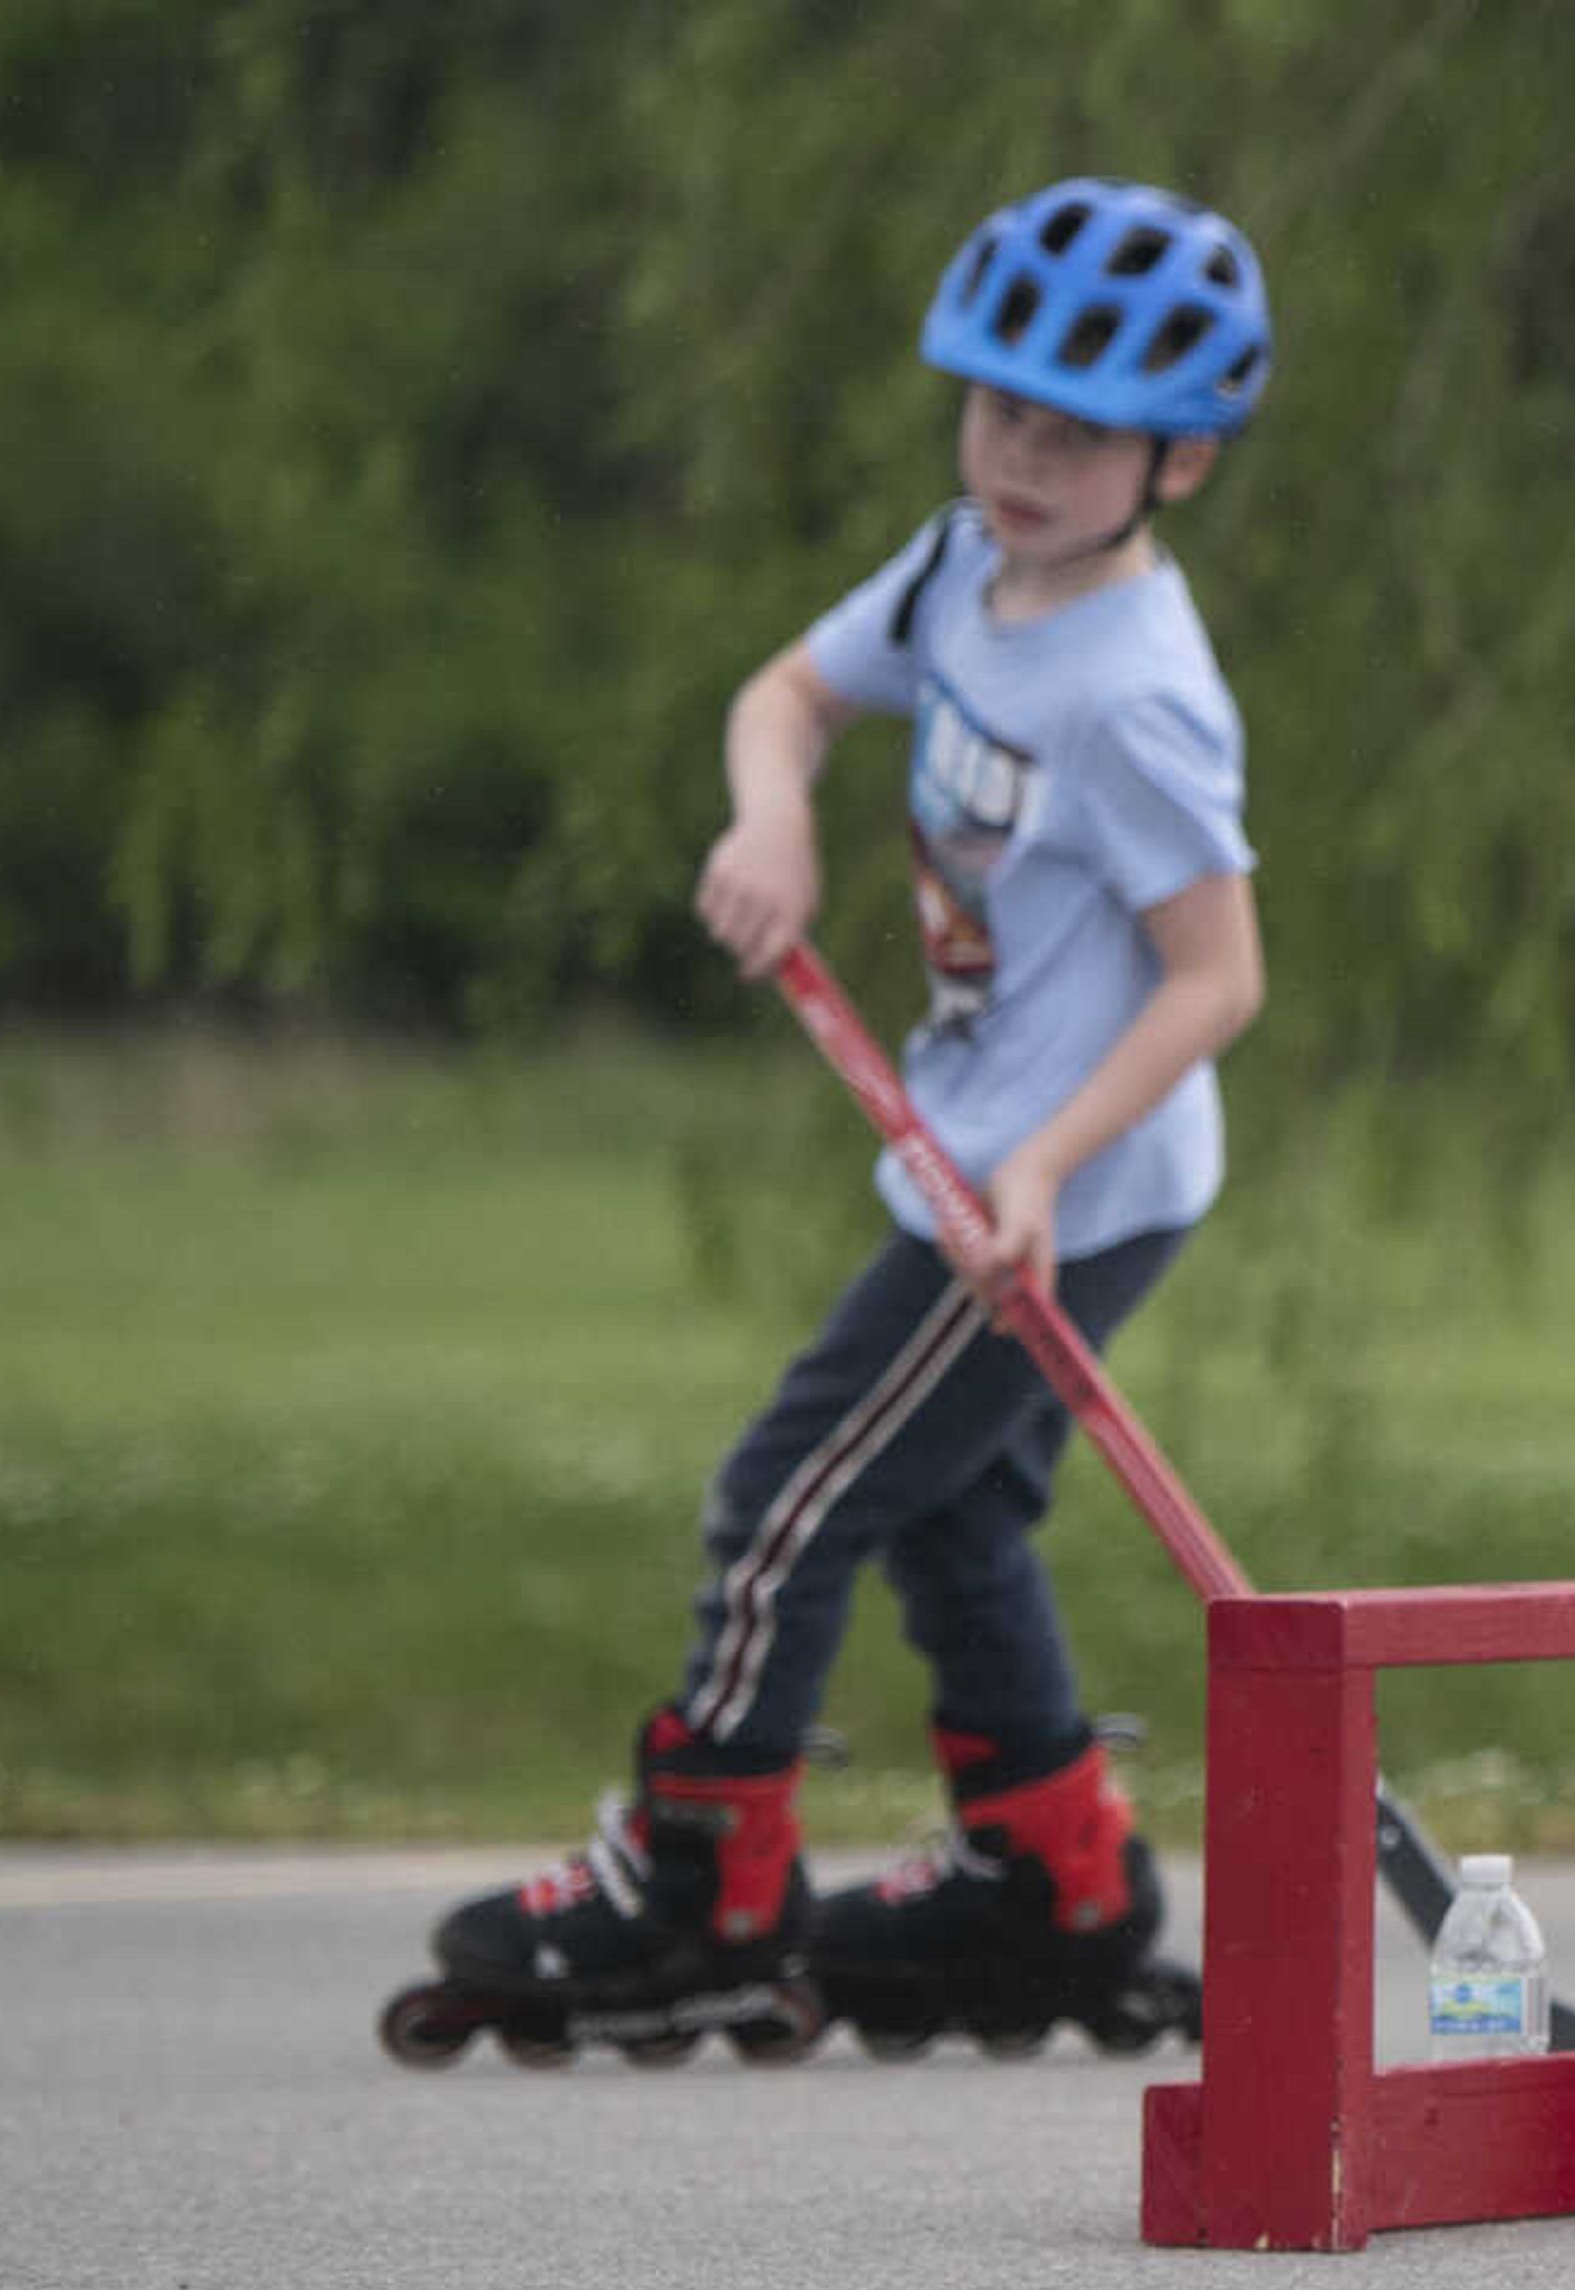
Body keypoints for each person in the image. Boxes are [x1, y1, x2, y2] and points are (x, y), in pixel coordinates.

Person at [392, 178, 1272, 2067]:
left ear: (1179, 460)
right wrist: (769, 813)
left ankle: (697, 1890)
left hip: (1050, 1184)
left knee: (782, 1506)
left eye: (1075, 430)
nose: (1021, 457)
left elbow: (1220, 983)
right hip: (985, 1151)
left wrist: (1039, 1165)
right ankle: (1055, 1887)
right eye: (998, 409)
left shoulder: (1136, 698)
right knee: (949, 1512)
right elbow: (785, 697)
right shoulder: (963, 566)